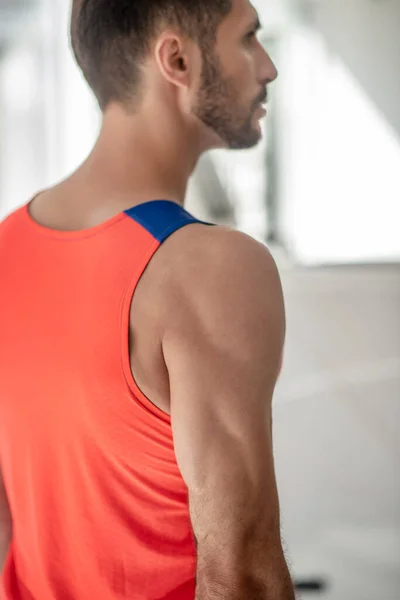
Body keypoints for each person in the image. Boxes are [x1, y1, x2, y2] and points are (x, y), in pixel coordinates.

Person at [0, 0, 295, 598]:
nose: (267, 68)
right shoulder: (210, 268)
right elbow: (239, 574)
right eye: (248, 39)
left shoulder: (6, 246)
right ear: (178, 60)